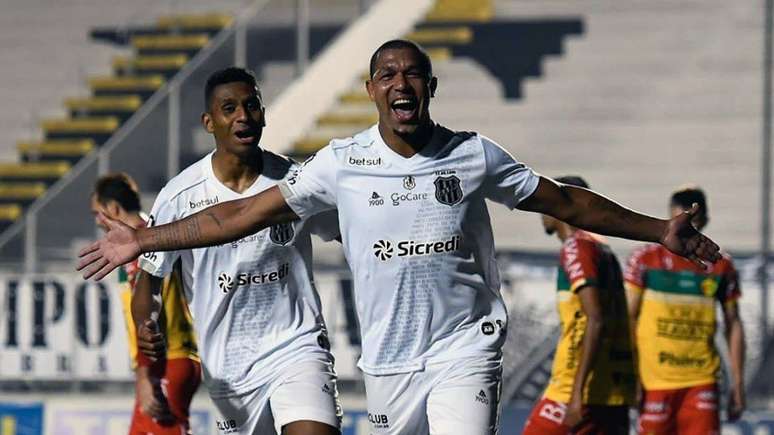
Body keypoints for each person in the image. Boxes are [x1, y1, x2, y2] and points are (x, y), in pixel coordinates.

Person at [78, 40, 721, 435]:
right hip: (387, 363)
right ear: (372, 91)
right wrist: (148, 239)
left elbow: (565, 201)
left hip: (462, 350)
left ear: (430, 88)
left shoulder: (473, 155)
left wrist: (658, 230)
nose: (400, 82)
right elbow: (236, 216)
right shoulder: (338, 164)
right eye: (387, 74)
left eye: (412, 73)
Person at [129, 67, 341, 435]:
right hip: (229, 365)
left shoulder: (294, 181)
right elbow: (149, 279)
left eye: (251, 105)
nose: (243, 116)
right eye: (229, 108)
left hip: (298, 346)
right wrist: (148, 319)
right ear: (209, 122)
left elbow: (352, 233)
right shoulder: (180, 197)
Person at [624, 186, 745, 435]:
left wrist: (738, 384)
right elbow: (629, 319)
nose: (685, 229)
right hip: (654, 382)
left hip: (701, 381)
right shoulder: (645, 260)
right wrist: (630, 374)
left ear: (705, 220)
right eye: (679, 222)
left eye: (692, 223)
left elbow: (733, 324)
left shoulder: (720, 265)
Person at [522, 176, 635, 435]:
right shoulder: (602, 248)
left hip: (577, 390)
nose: (540, 211)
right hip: (612, 391)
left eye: (544, 204)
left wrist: (576, 394)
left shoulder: (576, 248)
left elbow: (595, 318)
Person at [90, 173, 201, 435]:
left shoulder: (140, 244)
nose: (96, 221)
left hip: (166, 361)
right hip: (167, 359)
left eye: (97, 213)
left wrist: (145, 375)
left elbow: (150, 315)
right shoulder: (152, 235)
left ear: (113, 209)